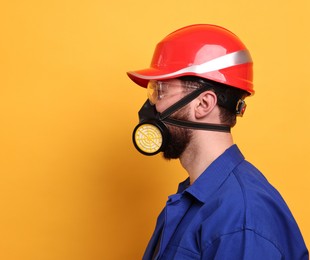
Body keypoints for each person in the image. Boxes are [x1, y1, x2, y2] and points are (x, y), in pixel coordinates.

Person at [127, 24, 308, 259]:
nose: (150, 107)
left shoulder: (241, 216)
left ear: (203, 104)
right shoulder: (192, 200)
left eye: (160, 92)